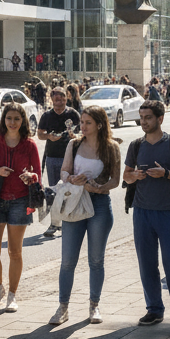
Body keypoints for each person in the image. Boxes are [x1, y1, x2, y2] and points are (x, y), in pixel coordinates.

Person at [122, 99, 170, 332]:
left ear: (160, 119)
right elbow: (125, 176)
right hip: (142, 212)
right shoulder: (136, 145)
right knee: (147, 264)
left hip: (167, 213)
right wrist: (135, 176)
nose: (143, 122)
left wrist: (164, 173)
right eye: (142, 118)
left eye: (148, 118)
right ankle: (154, 309)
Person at [48, 107, 121, 325]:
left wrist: (99, 188)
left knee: (96, 260)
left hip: (99, 204)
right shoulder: (74, 144)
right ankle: (63, 308)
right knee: (68, 260)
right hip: (74, 203)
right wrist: (71, 178)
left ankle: (94, 305)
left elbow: (115, 181)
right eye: (82, 122)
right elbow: (63, 171)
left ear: (99, 124)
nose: (83, 126)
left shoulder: (112, 147)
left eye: (88, 122)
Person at [0, 103, 41, 313]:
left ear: (23, 121)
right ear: (3, 120)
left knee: (15, 252)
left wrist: (30, 177)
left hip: (20, 200)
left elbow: (38, 174)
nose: (12, 122)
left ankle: (12, 295)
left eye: (16, 119)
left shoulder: (29, 145)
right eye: (9, 118)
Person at [37, 87, 81, 239]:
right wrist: (49, 136)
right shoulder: (47, 115)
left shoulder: (73, 114)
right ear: (52, 100)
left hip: (70, 157)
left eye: (62, 99)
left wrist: (74, 135)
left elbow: (83, 133)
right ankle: (54, 223)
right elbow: (39, 134)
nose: (59, 102)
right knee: (55, 191)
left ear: (66, 99)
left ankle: (68, 222)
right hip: (52, 157)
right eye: (56, 99)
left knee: (70, 190)